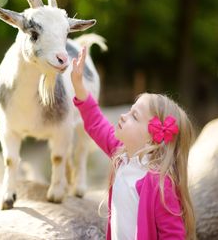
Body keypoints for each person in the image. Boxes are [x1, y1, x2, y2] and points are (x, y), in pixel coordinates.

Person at [70, 46, 196, 239]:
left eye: (134, 116)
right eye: (130, 110)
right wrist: (78, 85)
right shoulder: (122, 156)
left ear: (152, 137)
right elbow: (96, 122)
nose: (123, 116)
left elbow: (173, 235)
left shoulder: (160, 186)